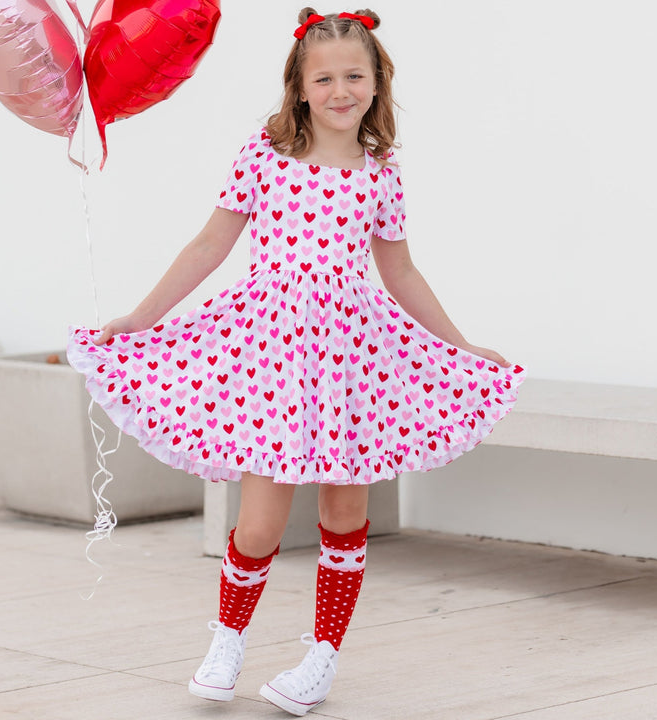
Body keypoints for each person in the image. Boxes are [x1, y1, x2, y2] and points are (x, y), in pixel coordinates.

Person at [67, 7, 525, 716]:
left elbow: (400, 273)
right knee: (260, 524)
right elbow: (209, 245)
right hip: (271, 358)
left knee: (345, 512)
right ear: (300, 86)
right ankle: (228, 640)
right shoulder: (265, 154)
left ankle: (322, 656)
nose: (342, 90)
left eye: (355, 75)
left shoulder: (380, 173)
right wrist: (139, 318)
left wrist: (460, 345)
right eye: (325, 78)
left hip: (353, 360)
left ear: (377, 82)